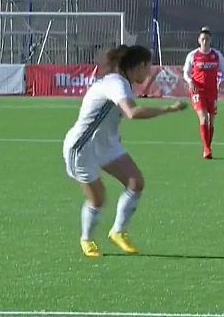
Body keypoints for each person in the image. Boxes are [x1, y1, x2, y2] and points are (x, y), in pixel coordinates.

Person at [62, 44, 187, 258]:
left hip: (105, 144)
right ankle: (87, 239)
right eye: (148, 67)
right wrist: (168, 109)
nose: (149, 72)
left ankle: (118, 232)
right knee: (98, 199)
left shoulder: (122, 83)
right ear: (139, 66)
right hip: (82, 147)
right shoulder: (116, 83)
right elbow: (131, 112)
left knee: (136, 182)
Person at [183, 27, 224, 159]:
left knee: (211, 121)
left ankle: (208, 146)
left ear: (210, 40)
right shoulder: (193, 55)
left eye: (207, 39)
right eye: (202, 39)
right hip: (198, 91)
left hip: (212, 91)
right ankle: (207, 148)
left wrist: (223, 80)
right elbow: (185, 72)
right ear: (199, 40)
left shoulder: (216, 55)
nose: (205, 41)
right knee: (203, 117)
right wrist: (190, 81)